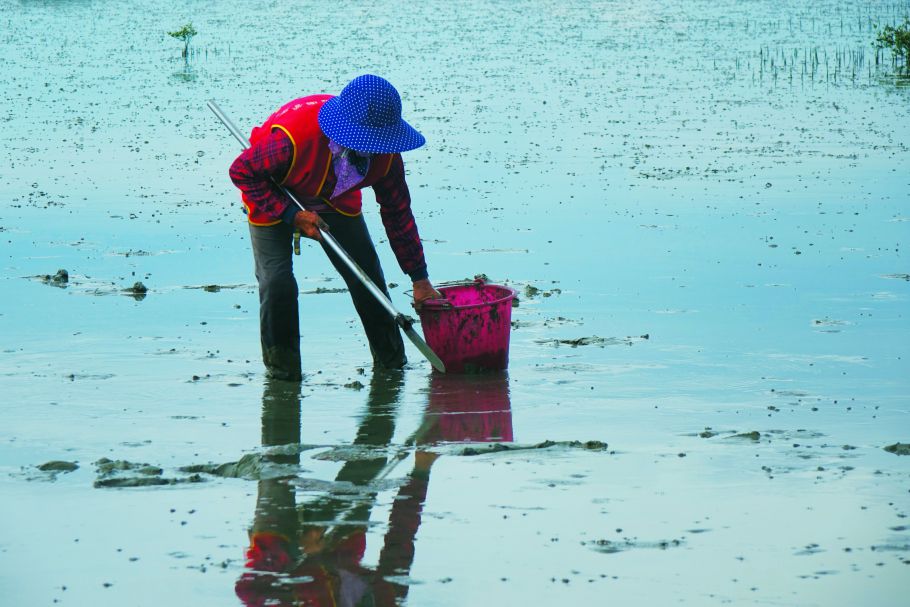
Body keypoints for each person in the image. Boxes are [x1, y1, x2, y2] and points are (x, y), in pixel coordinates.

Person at [230, 74, 441, 380]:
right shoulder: (291, 140)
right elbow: (242, 172)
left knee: (367, 275)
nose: (374, 148)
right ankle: (283, 375)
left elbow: (397, 214)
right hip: (275, 192)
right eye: (366, 139)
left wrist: (419, 278)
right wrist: (292, 214)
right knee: (277, 283)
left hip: (335, 195)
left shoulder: (386, 157)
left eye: (378, 141)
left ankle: (391, 366)